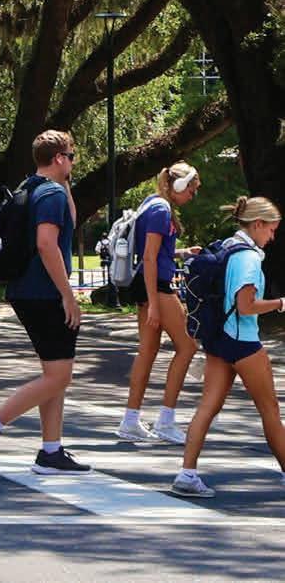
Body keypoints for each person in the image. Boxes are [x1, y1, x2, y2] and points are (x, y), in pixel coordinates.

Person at [0, 130, 89, 475]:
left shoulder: (33, 187)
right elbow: (47, 244)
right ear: (59, 158)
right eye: (71, 157)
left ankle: (51, 451)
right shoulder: (51, 194)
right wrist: (67, 295)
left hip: (26, 289)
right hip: (44, 293)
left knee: (54, 374)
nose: (73, 162)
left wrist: (65, 180)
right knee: (59, 376)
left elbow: (71, 220)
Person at [172, 196, 285, 497]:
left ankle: (187, 474)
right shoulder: (249, 258)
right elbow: (246, 306)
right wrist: (280, 303)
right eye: (271, 229)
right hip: (244, 342)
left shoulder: (227, 247)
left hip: (218, 340)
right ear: (258, 224)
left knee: (207, 407)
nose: (272, 237)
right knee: (270, 410)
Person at [121, 162, 200, 445]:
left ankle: (130, 420)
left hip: (147, 285)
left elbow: (154, 252)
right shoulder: (161, 210)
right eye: (191, 189)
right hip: (156, 286)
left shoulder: (151, 204)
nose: (192, 195)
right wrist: (154, 303)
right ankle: (166, 421)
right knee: (188, 346)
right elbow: (150, 257)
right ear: (178, 185)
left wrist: (181, 252)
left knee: (147, 351)